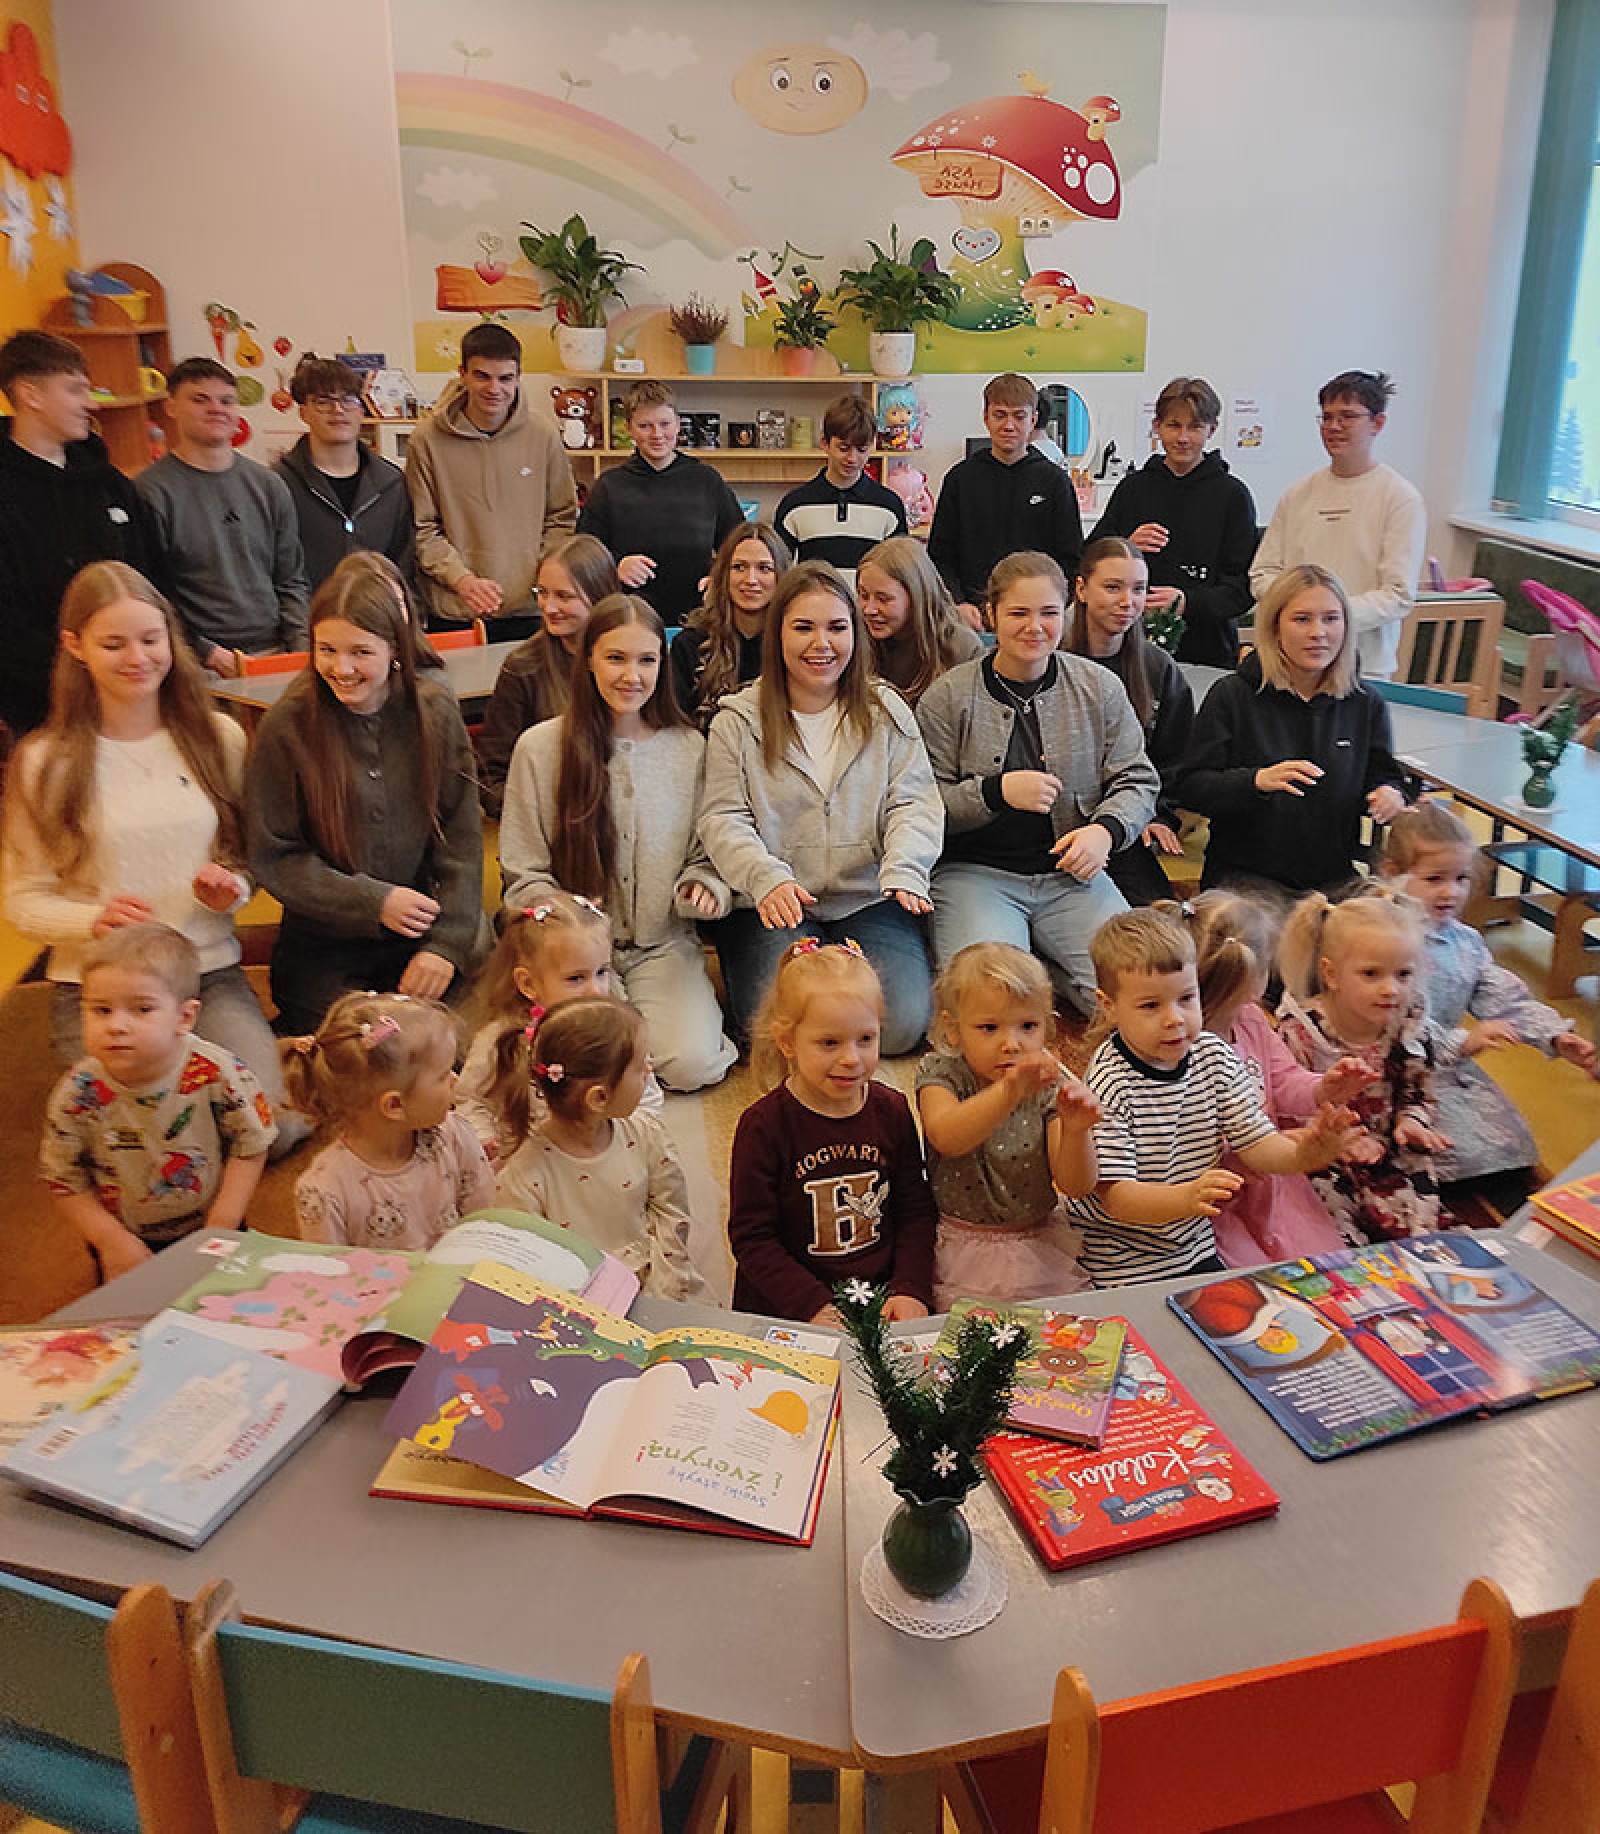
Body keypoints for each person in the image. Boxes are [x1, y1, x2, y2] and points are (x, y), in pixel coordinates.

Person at [2, 560, 298, 1142]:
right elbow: (21, 898)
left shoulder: (219, 737)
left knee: (268, 1128)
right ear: (75, 646)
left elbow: (247, 860)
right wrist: (94, 919)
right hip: (102, 990)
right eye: (113, 644)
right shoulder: (44, 761)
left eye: (150, 639)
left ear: (171, 637)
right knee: (151, 1145)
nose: (137, 658)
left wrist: (233, 887)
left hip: (206, 974)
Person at [698, 560, 943, 1053]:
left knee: (898, 1026)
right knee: (778, 1028)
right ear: (777, 633)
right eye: (803, 628)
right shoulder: (737, 721)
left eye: (836, 627)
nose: (822, 644)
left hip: (866, 897)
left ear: (856, 633)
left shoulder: (886, 710)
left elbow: (914, 801)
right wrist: (766, 878)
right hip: (773, 903)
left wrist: (904, 866)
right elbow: (723, 818)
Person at [499, 595, 736, 1091]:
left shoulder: (689, 748)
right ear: (588, 659)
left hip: (661, 946)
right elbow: (523, 873)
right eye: (615, 658)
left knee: (691, 1066)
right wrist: (568, 919)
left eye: (646, 660)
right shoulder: (539, 749)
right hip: (573, 958)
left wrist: (703, 885)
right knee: (586, 1064)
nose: (632, 675)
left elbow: (707, 853)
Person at [246, 553, 485, 1034]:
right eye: (326, 650)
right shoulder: (286, 725)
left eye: (360, 652)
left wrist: (445, 946)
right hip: (325, 953)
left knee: (456, 1047)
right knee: (375, 1047)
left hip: (421, 936)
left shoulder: (433, 712)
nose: (341, 668)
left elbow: (460, 838)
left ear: (394, 647)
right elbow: (275, 856)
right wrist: (373, 901)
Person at [914, 552, 1159, 1015]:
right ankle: (1031, 961)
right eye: (1018, 614)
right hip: (975, 875)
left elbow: (1138, 778)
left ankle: (1052, 972)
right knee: (994, 1003)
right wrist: (995, 792)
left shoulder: (1100, 687)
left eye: (1048, 613)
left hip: (1072, 877)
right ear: (991, 615)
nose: (1034, 627)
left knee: (1137, 996)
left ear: (1066, 612)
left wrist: (1104, 831)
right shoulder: (948, 696)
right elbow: (922, 804)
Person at [1069, 908, 1358, 1287]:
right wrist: (1186, 1198)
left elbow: (1257, 1144)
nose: (1174, 1018)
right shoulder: (1109, 1084)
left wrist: (1305, 1155)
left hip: (1194, 1244)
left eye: (1186, 998)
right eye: (1151, 1006)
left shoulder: (1213, 1055)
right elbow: (1117, 1198)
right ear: (1109, 1006)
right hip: (1121, 1256)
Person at [1379, 802, 1596, 1216]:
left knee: (1512, 1146)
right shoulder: (1382, 939)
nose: (1451, 892)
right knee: (1430, 1153)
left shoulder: (1465, 941)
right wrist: (1461, 1042)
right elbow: (1388, 1022)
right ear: (1394, 873)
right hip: (1391, 1071)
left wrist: (1554, 1035)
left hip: (1447, 1071)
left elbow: (1503, 996)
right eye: (1434, 879)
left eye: (1461, 878)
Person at [40, 924, 276, 1279]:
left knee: (229, 1303)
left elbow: (251, 1145)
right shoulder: (77, 1092)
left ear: (185, 1017)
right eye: (101, 1010)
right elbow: (63, 1178)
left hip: (212, 1223)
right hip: (125, 1236)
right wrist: (110, 1240)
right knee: (132, 1312)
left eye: (141, 1009)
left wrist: (222, 1225)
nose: (117, 1026)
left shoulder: (217, 1071)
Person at [727, 940, 935, 1323]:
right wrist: (811, 1304)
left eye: (866, 1039)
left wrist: (910, 1287)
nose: (851, 1058)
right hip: (793, 1306)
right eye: (829, 1043)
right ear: (787, 1042)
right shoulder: (764, 1126)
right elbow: (752, 1238)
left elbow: (915, 1211)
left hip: (882, 1297)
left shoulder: (892, 1109)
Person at [1177, 565, 1408, 894]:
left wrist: (1389, 793)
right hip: (1245, 879)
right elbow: (1190, 787)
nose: (1319, 632)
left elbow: (1385, 774)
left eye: (1331, 619)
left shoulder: (1365, 702)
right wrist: (1255, 781)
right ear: (1275, 627)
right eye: (1302, 619)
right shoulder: (1232, 696)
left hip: (1332, 881)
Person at [1185, 889, 1369, 1265]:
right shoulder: (1183, 1051)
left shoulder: (1250, 1019)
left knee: (1323, 1268)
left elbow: (1283, 1080)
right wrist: (1274, 1149)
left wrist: (1322, 1088)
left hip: (1274, 1187)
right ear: (1253, 980)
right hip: (1215, 1199)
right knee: (1251, 1281)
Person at [915, 943, 1100, 1309]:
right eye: (989, 1028)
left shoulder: (1048, 1087)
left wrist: (1077, 1131)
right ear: (952, 1029)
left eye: (1028, 1026)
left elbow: (1076, 1186)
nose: (1011, 1044)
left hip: (1038, 1240)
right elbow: (946, 1136)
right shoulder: (942, 1073)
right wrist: (1009, 1091)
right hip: (962, 1243)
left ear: (1047, 1026)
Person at [493, 996, 704, 1298]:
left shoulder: (647, 1134)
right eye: (639, 1067)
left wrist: (664, 1290)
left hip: (653, 1284)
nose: (649, 1070)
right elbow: (527, 1267)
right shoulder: (525, 1177)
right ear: (599, 1098)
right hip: (574, 1300)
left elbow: (671, 1212)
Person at [0, 329, 155, 735]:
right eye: (75, 390)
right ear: (31, 394)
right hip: (42, 705)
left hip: (134, 690)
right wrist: (80, 675)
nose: (91, 403)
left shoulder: (111, 485)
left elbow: (153, 576)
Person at [1277, 886, 1447, 1242]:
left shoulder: (1409, 1026)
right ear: (1331, 974)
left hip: (1389, 1152)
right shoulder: (1302, 1032)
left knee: (1417, 1223)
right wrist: (1335, 1141)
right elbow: (1286, 1108)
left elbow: (1418, 1091)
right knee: (1328, 1226)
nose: (1391, 989)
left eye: (1403, 975)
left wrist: (1412, 1121)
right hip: (1323, 1157)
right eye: (1371, 974)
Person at [456, 893, 665, 1164]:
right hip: (528, 1164)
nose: (595, 990)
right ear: (528, 983)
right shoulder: (503, 1039)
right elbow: (469, 1099)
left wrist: (627, 1139)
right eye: (576, 978)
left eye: (602, 972)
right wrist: (484, 1138)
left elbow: (647, 1097)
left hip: (601, 1155)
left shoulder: (619, 1032)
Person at [1249, 369, 1426, 681]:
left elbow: (1397, 594)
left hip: (1364, 664)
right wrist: (1301, 616)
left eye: (1347, 416)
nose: (1333, 427)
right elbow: (1262, 574)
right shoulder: (1297, 494)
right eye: (1327, 417)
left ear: (1378, 423)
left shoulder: (1400, 497)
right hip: (1291, 660)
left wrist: (1325, 618)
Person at [135, 357, 309, 673]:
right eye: (200, 399)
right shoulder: (150, 492)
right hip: (196, 663)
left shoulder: (269, 484)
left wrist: (300, 649)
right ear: (171, 407)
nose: (216, 409)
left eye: (226, 401)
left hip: (276, 653)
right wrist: (205, 652)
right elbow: (153, 593)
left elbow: (290, 578)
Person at [284, 989, 493, 1250]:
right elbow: (332, 1269)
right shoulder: (324, 1191)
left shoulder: (457, 1135)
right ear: (395, 1105)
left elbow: (485, 1223)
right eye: (442, 1076)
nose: (455, 1080)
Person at [405, 322, 577, 636]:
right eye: (482, 376)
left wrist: (541, 575)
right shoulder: (426, 440)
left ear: (519, 377)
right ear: (463, 374)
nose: (494, 389)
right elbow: (422, 528)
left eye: (505, 378)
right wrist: (462, 580)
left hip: (529, 608)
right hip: (455, 609)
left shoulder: (544, 435)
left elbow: (561, 517)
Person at [1088, 376, 1257, 668]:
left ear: (1212, 429)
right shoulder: (1133, 489)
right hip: (1129, 644)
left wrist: (1188, 602)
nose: (1183, 438)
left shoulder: (1233, 496)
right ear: (1157, 426)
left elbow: (1242, 589)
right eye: (1173, 425)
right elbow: (1090, 560)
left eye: (1195, 427)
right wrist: (1125, 546)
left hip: (1208, 649)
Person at [1067, 537, 1194, 905]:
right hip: (1062, 824)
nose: (1127, 601)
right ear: (1081, 589)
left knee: (1152, 919)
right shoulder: (1051, 660)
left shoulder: (1157, 668)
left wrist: (1158, 815)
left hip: (1128, 825)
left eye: (1138, 589)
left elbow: (1176, 758)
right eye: (1112, 587)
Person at [577, 380, 745, 623]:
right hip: (631, 619)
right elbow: (583, 556)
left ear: (678, 424)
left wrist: (721, 578)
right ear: (629, 429)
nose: (657, 435)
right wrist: (615, 567)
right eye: (645, 426)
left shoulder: (706, 480)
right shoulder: (609, 486)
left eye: (665, 424)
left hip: (699, 618)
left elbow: (739, 543)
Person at [476, 534, 619, 816]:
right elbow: (492, 776)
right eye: (541, 593)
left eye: (564, 596)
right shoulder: (523, 669)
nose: (548, 607)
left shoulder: (630, 662)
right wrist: (543, 816)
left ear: (600, 596)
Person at [926, 373, 1084, 626]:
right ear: (985, 418)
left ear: (1033, 420)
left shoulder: (1055, 482)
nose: (1009, 426)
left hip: (1034, 615)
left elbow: (1070, 558)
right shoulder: (960, 479)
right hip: (972, 617)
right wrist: (958, 603)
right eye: (1000, 415)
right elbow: (940, 556)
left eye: (1019, 416)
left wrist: (1049, 608)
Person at [275, 352, 416, 596]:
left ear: (361, 410)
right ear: (304, 412)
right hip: (307, 616)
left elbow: (404, 565)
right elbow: (276, 569)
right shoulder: (279, 484)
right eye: (323, 401)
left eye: (348, 399)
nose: (338, 410)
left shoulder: (391, 483)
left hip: (377, 614)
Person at [773, 394, 906, 583]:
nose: (852, 458)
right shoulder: (794, 505)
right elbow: (778, 573)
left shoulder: (889, 506)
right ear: (825, 444)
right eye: (843, 448)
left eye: (862, 450)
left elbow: (901, 575)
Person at [669, 521, 789, 725]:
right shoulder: (689, 645)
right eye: (739, 567)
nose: (751, 579)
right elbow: (675, 726)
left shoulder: (791, 644)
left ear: (781, 576)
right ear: (723, 575)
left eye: (764, 568)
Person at [857, 535, 983, 707]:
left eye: (883, 599)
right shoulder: (856, 640)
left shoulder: (962, 648)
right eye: (863, 595)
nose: (869, 609)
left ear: (917, 596)